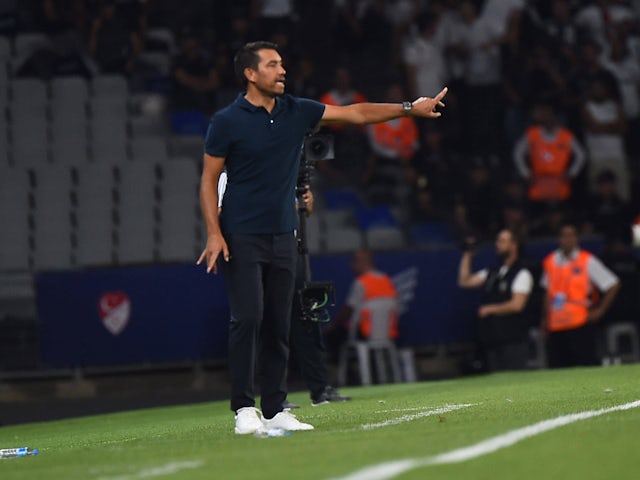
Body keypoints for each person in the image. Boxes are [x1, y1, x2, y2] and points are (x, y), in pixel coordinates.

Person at [197, 41, 447, 435]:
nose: (282, 70)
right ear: (250, 73)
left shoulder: (298, 110)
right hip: (241, 235)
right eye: (273, 65)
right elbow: (209, 180)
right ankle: (245, 409)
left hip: (284, 235)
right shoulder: (227, 121)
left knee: (280, 324)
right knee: (247, 319)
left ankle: (276, 408)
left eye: (282, 63)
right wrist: (213, 233)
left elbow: (357, 113)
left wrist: (407, 108)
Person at [217, 171, 349, 409]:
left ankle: (319, 388)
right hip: (254, 249)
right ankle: (271, 396)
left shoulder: (282, 172)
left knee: (305, 315)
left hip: (287, 249)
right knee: (265, 320)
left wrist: (306, 206)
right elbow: (220, 210)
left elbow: (298, 213)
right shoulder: (233, 175)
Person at [540, 223, 621, 368]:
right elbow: (547, 292)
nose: (568, 239)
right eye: (564, 235)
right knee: (557, 370)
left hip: (580, 322)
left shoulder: (587, 260)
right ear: (559, 239)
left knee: (585, 366)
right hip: (556, 323)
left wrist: (601, 310)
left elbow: (612, 284)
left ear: (577, 238)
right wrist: (545, 319)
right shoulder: (550, 261)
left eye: (571, 235)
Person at [457, 229, 534, 372]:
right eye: (497, 241)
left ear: (514, 245)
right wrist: (467, 254)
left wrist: (490, 309)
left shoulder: (521, 272)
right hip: (493, 339)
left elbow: (517, 305)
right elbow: (464, 281)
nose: (498, 244)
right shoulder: (493, 272)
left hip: (513, 340)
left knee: (515, 381)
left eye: (503, 241)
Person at [328, 249, 400, 370]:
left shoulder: (361, 282)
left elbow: (348, 310)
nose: (352, 266)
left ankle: (349, 374)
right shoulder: (385, 279)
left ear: (363, 262)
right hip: (388, 335)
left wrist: (333, 325)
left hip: (365, 333)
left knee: (334, 333)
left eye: (354, 262)